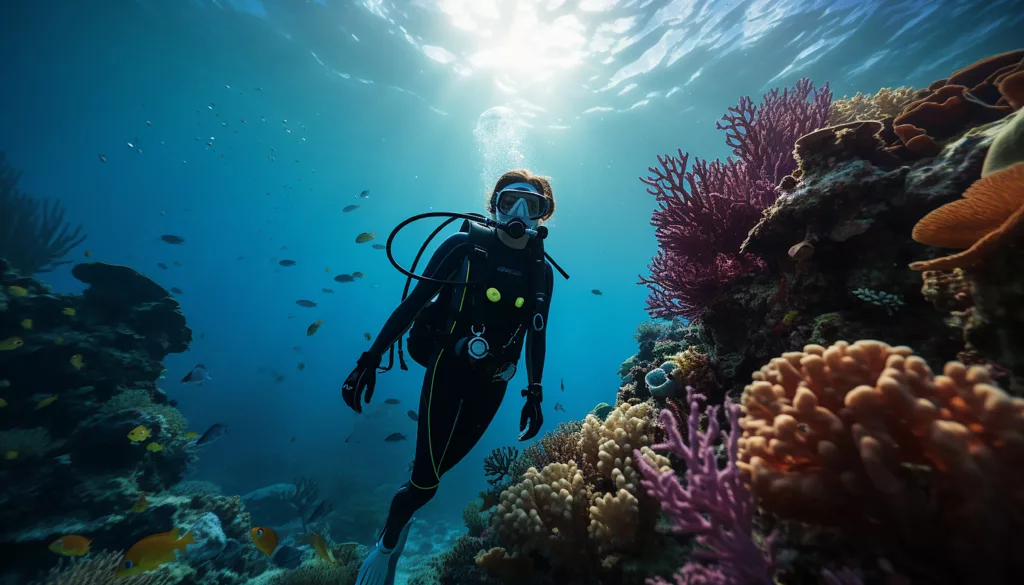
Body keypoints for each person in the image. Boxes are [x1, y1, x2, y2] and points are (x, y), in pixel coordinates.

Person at [341, 169, 558, 585]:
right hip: (448, 369)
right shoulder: (463, 246)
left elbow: (537, 331)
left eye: (531, 206)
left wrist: (534, 391)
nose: (518, 213)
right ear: (493, 205)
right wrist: (368, 360)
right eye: (509, 201)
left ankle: (404, 509)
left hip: (495, 383)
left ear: (542, 216)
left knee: (433, 475)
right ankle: (386, 547)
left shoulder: (540, 272)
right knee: (426, 483)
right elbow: (412, 305)